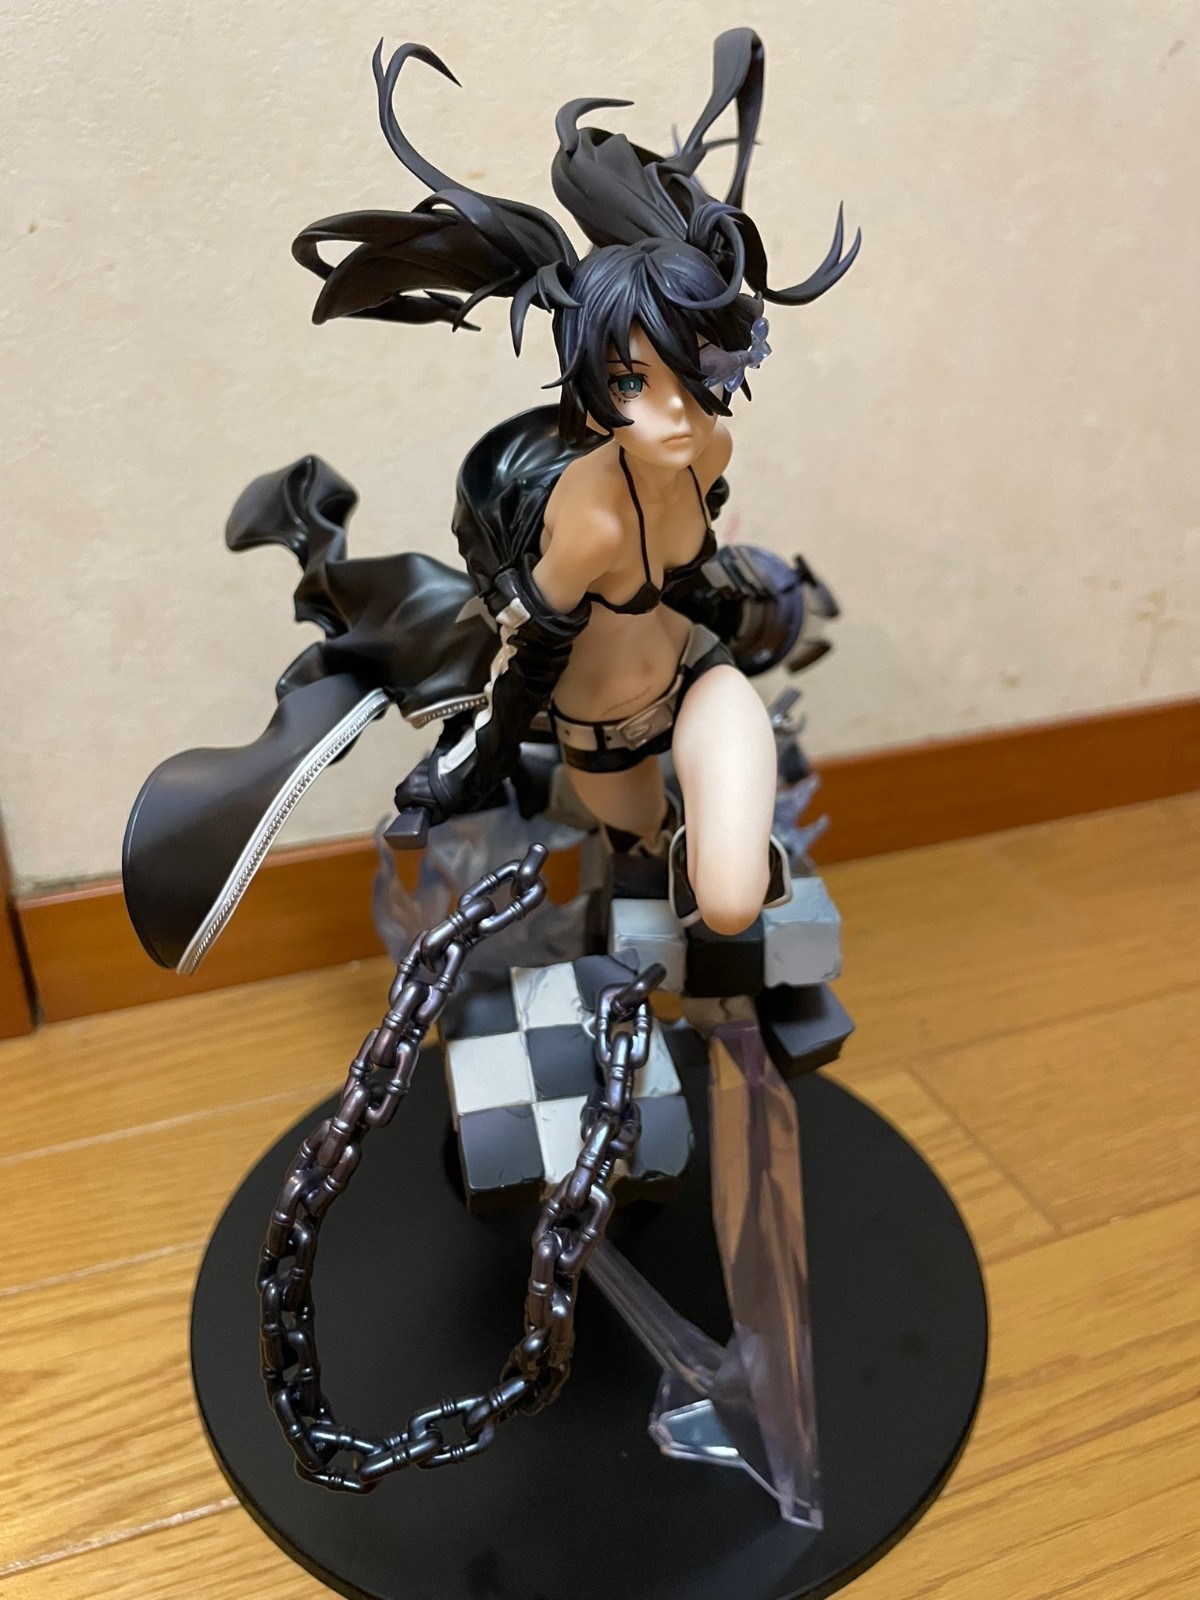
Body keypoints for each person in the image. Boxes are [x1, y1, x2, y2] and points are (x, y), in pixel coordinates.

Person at [295, 29, 858, 936]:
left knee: (729, 900)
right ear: (591, 389)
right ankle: (653, 893)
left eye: (693, 369)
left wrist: (758, 603)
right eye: (632, 383)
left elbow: (693, 568)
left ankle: (724, 873)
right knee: (654, 860)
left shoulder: (709, 450)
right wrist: (468, 766)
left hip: (696, 672)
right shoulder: (587, 521)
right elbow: (530, 661)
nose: (674, 413)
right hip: (600, 732)